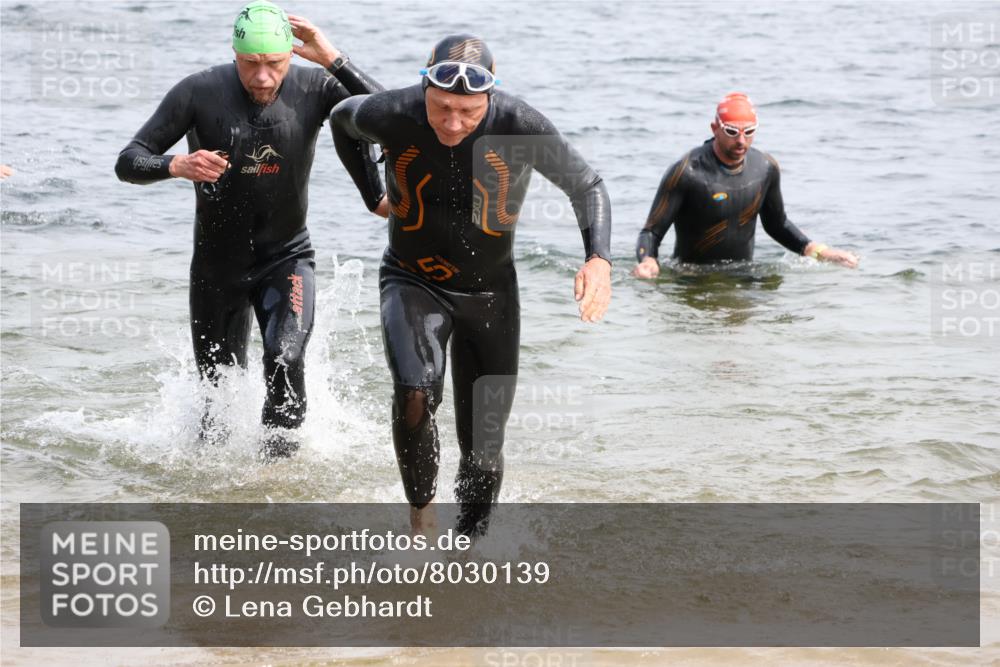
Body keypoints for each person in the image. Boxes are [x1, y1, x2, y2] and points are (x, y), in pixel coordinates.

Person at [330, 34, 612, 536]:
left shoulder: (518, 125)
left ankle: (469, 547)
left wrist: (598, 260)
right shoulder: (392, 113)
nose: (453, 124)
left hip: (489, 292)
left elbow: (585, 184)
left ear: (490, 98)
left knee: (483, 443)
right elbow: (341, 121)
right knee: (415, 393)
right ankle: (422, 525)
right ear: (424, 88)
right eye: (441, 109)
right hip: (411, 277)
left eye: (467, 112)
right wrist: (372, 195)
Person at [114, 1, 387, 459]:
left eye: (274, 64)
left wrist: (334, 59)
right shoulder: (198, 91)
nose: (262, 77)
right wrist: (176, 164)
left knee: (285, 358)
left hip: (287, 257)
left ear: (291, 56)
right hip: (217, 267)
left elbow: (392, 122)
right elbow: (129, 160)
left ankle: (275, 473)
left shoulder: (316, 86)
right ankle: (210, 494)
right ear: (234, 54)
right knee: (215, 394)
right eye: (251, 64)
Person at [633, 92, 858, 278]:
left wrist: (818, 251)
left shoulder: (765, 168)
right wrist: (648, 260)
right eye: (732, 132)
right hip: (693, 279)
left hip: (743, 277)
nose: (741, 141)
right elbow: (651, 231)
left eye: (749, 132)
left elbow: (776, 224)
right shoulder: (688, 171)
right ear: (715, 128)